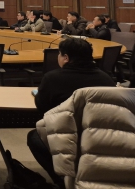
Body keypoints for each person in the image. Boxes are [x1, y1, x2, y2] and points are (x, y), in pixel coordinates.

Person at [27, 38, 115, 188]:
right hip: (101, 139)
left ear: (66, 58)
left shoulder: (52, 78)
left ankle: (61, 179)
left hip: (66, 139)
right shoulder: (106, 79)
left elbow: (43, 109)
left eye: (59, 54)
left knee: (34, 137)